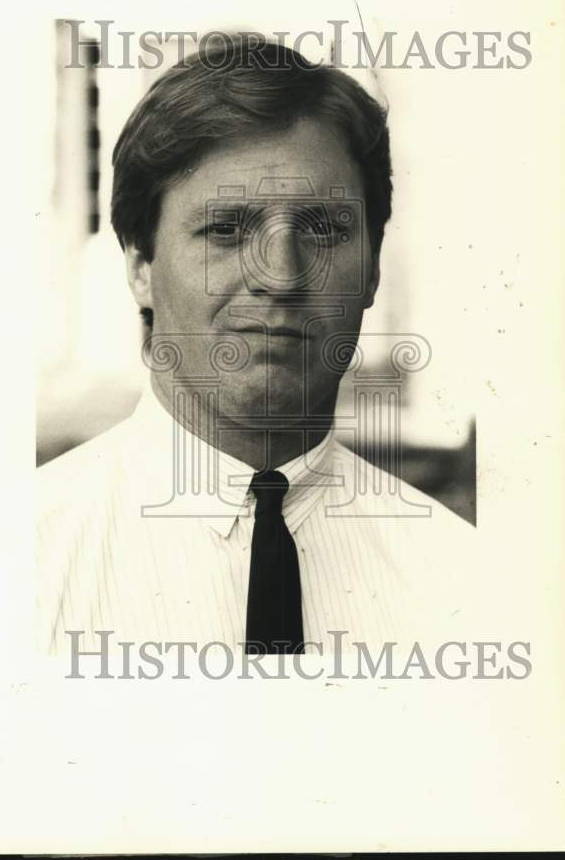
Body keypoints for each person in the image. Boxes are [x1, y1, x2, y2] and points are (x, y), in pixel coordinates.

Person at [37, 35, 476, 656]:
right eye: (225, 228)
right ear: (140, 264)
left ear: (373, 266)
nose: (280, 274)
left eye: (323, 229)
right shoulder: (21, 564)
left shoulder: (468, 586)